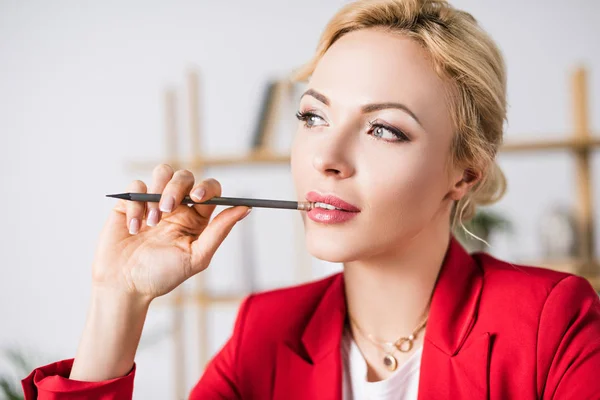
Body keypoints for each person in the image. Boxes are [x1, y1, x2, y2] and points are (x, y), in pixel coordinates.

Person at [22, 0, 600, 399]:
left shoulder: (554, 323)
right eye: (313, 116)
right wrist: (117, 300)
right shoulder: (266, 331)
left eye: (385, 129)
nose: (328, 156)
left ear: (465, 174)